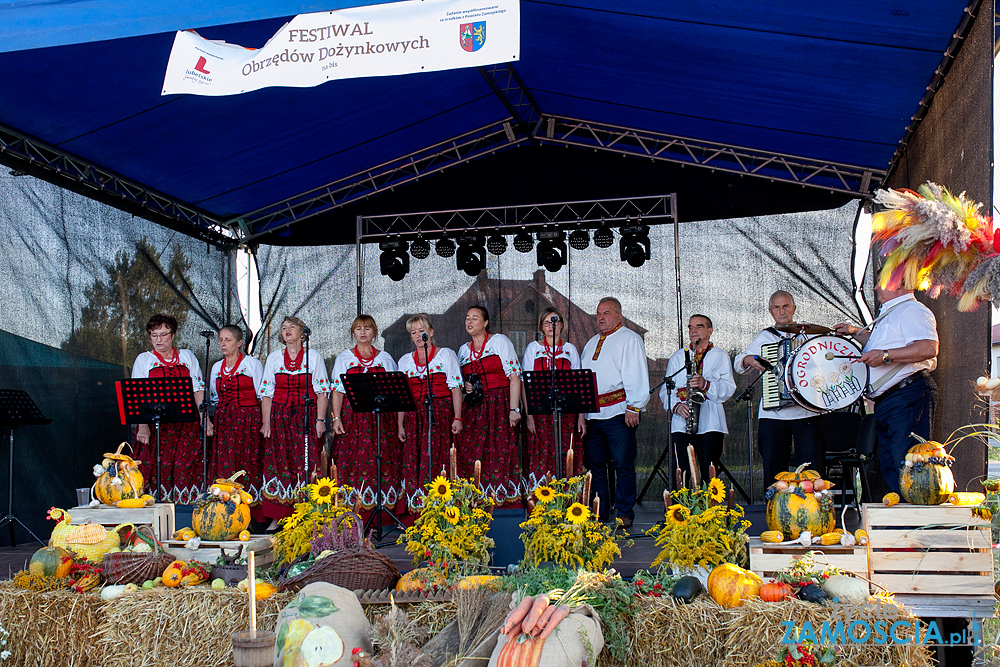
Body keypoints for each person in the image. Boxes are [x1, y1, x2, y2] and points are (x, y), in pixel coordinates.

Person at [833, 287, 938, 493]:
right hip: (890, 401)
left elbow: (928, 347)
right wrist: (856, 333)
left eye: (883, 281)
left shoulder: (911, 310)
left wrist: (886, 355)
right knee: (893, 467)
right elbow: (881, 344)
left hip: (906, 396)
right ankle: (899, 522)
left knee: (908, 465)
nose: (875, 287)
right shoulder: (892, 311)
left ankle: (912, 522)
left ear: (900, 284)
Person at [734, 290, 824, 482]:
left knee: (812, 469)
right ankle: (773, 508)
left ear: (794, 308)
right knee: (774, 468)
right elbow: (738, 364)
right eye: (777, 307)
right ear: (770, 311)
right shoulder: (765, 337)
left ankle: (814, 509)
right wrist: (748, 359)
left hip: (806, 411)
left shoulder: (808, 337)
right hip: (773, 413)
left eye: (786, 306)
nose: (782, 311)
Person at [578, 297, 649, 528]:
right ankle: (601, 510)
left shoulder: (629, 339)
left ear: (619, 315)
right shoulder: (590, 343)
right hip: (594, 415)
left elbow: (636, 373)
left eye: (606, 313)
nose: (600, 317)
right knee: (595, 464)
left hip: (620, 412)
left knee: (622, 463)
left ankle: (624, 512)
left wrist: (634, 406)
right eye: (598, 313)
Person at [258, 316, 330, 520]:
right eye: (283, 328)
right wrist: (266, 422)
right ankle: (278, 515)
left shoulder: (313, 356)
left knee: (308, 460)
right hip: (280, 417)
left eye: (292, 327)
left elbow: (322, 391)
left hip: (306, 415)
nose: (287, 330)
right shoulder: (273, 358)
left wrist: (320, 420)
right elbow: (266, 392)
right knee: (279, 462)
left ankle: (310, 514)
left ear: (302, 332)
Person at [131, 313, 205, 499]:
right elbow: (136, 394)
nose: (158, 340)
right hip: (157, 425)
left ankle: (184, 510)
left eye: (163, 335)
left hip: (186, 423)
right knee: (153, 465)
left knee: (184, 464)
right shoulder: (144, 360)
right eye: (154, 335)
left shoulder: (187, 356)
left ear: (173, 335)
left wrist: (205, 419)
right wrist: (142, 426)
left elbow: (198, 388)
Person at [396, 314, 463, 502]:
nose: (418, 336)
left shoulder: (446, 355)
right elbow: (402, 397)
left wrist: (457, 417)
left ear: (431, 332)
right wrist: (400, 424)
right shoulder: (404, 361)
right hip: (413, 417)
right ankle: (415, 508)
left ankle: (440, 506)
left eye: (421, 331)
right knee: (414, 458)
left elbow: (455, 387)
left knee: (437, 456)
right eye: (413, 332)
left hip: (439, 414)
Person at [458, 305, 523, 498]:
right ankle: (476, 499)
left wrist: (514, 408)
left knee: (500, 450)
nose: (469, 321)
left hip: (500, 404)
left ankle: (502, 499)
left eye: (475, 318)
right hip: (475, 407)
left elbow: (514, 377)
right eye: (467, 318)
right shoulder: (463, 350)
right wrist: (467, 387)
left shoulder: (499, 341)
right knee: (474, 451)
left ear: (485, 322)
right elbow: (463, 382)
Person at [329, 315, 399, 493]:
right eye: (358, 328)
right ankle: (351, 505)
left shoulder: (385, 358)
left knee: (381, 457)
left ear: (374, 332)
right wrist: (337, 418)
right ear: (353, 332)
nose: (362, 332)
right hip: (353, 417)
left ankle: (383, 504)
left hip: (381, 418)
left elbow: (395, 391)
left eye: (367, 328)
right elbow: (337, 390)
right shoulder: (344, 358)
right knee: (351, 458)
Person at [664, 315, 736, 484]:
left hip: (710, 423)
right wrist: (675, 406)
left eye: (699, 327)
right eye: (690, 327)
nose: (693, 331)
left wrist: (706, 385)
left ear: (710, 331)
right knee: (680, 474)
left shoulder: (720, 356)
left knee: (709, 474)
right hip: (682, 422)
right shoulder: (678, 356)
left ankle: (709, 510)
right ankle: (679, 509)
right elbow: (665, 389)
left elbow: (729, 389)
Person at [521, 307, 583, 480]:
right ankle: (541, 498)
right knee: (541, 452)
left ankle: (567, 497)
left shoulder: (570, 349)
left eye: (555, 321)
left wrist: (581, 418)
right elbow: (525, 383)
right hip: (540, 411)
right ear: (541, 326)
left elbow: (579, 386)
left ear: (562, 324)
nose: (551, 326)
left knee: (566, 451)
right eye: (546, 322)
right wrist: (529, 415)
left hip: (567, 411)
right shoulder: (533, 348)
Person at [206, 325, 264, 487]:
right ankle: (224, 498)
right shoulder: (217, 367)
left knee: (247, 458)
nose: (223, 344)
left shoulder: (252, 364)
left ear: (239, 343)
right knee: (225, 459)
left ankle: (250, 500)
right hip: (224, 421)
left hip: (248, 420)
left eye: (228, 340)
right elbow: (214, 397)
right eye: (221, 340)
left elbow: (262, 395)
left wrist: (264, 422)